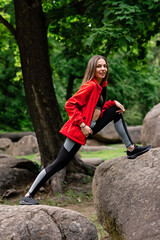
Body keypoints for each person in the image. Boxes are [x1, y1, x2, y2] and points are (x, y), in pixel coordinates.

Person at [19, 55, 151, 205]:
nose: (102, 69)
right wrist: (82, 125)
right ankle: (28, 196)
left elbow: (96, 111)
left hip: (91, 127)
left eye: (105, 66)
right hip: (78, 131)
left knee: (115, 111)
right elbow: (70, 104)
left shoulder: (100, 87)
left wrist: (113, 102)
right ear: (92, 69)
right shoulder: (90, 86)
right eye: (99, 66)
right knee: (58, 164)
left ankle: (131, 148)